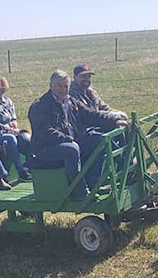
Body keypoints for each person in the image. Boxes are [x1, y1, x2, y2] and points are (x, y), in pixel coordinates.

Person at [28, 70, 128, 200]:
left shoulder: (71, 102)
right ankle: (79, 192)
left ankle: (93, 183)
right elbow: (44, 131)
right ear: (51, 85)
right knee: (71, 149)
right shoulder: (40, 105)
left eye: (66, 86)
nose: (63, 89)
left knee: (99, 140)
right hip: (46, 148)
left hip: (70, 141)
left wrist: (115, 121)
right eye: (60, 86)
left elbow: (91, 115)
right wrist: (68, 139)